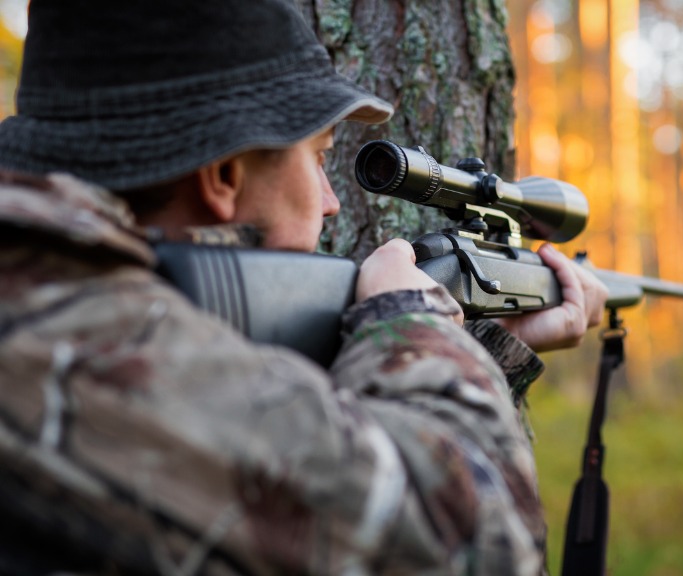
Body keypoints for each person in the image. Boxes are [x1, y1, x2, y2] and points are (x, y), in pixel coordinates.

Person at [0, 1, 607, 574]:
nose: (332, 202)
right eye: (318, 158)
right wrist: (409, 321)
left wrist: (478, 347)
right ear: (224, 174)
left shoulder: (59, 296)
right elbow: (473, 548)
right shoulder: (81, 335)